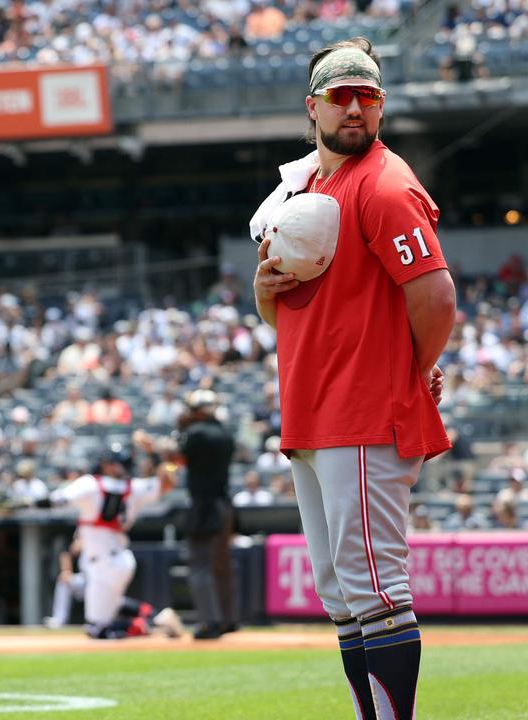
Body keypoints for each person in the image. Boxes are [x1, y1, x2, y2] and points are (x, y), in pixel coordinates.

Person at [249, 37, 455, 720]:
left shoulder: (385, 183)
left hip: (364, 412)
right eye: (342, 97)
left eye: (368, 97)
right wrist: (263, 290)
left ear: (382, 108)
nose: (356, 109)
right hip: (315, 410)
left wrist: (411, 373)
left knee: (376, 590)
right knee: (343, 598)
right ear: (313, 107)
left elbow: (436, 298)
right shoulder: (311, 186)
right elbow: (290, 315)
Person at [14, 444, 185, 640]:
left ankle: (151, 625)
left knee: (98, 629)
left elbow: (56, 500)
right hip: (119, 558)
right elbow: (168, 482)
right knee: (113, 604)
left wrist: (23, 503)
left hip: (102, 560)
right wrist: (156, 456)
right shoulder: (135, 487)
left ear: (111, 465)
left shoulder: (90, 484)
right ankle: (155, 616)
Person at [176, 389, 239, 640]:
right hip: (225, 504)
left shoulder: (196, 433)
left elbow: (177, 457)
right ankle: (228, 619)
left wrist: (180, 432)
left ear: (200, 411)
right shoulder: (225, 433)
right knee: (222, 566)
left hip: (205, 506)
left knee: (200, 564)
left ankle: (210, 622)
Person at [44, 535, 85, 629]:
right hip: (84, 581)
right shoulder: (70, 547)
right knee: (64, 581)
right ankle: (59, 620)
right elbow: (66, 569)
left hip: (100, 581)